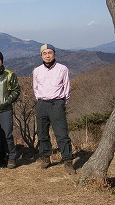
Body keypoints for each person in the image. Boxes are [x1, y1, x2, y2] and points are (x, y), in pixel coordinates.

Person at [33, 44, 75, 175]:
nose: (47, 55)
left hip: (57, 103)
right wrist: (40, 100)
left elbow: (67, 88)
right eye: (44, 53)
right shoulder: (37, 71)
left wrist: (62, 103)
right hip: (41, 103)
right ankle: (45, 158)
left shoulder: (62, 69)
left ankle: (68, 161)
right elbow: (35, 88)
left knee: (62, 134)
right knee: (42, 133)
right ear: (41, 55)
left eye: (49, 53)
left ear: (54, 53)